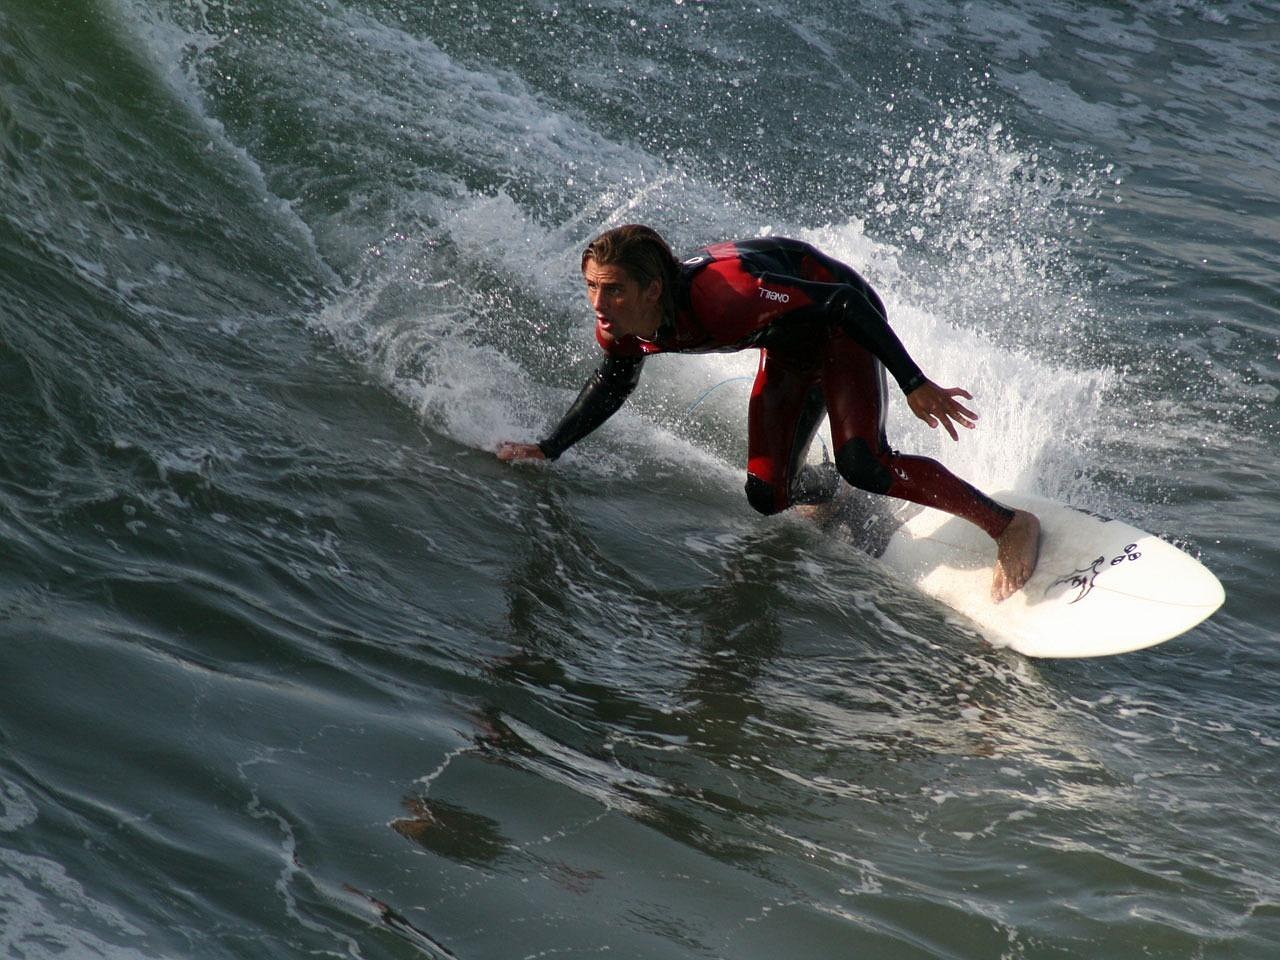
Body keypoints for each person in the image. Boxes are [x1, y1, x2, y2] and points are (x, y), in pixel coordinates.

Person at [498, 225, 1040, 601]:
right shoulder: (620, 326)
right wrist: (549, 448)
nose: (598, 303)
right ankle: (834, 494)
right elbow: (615, 381)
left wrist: (914, 382)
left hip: (841, 323)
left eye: (613, 290)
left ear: (652, 289)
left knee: (866, 463)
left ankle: (1008, 524)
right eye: (592, 287)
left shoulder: (727, 297)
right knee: (767, 496)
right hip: (788, 349)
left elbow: (843, 304)